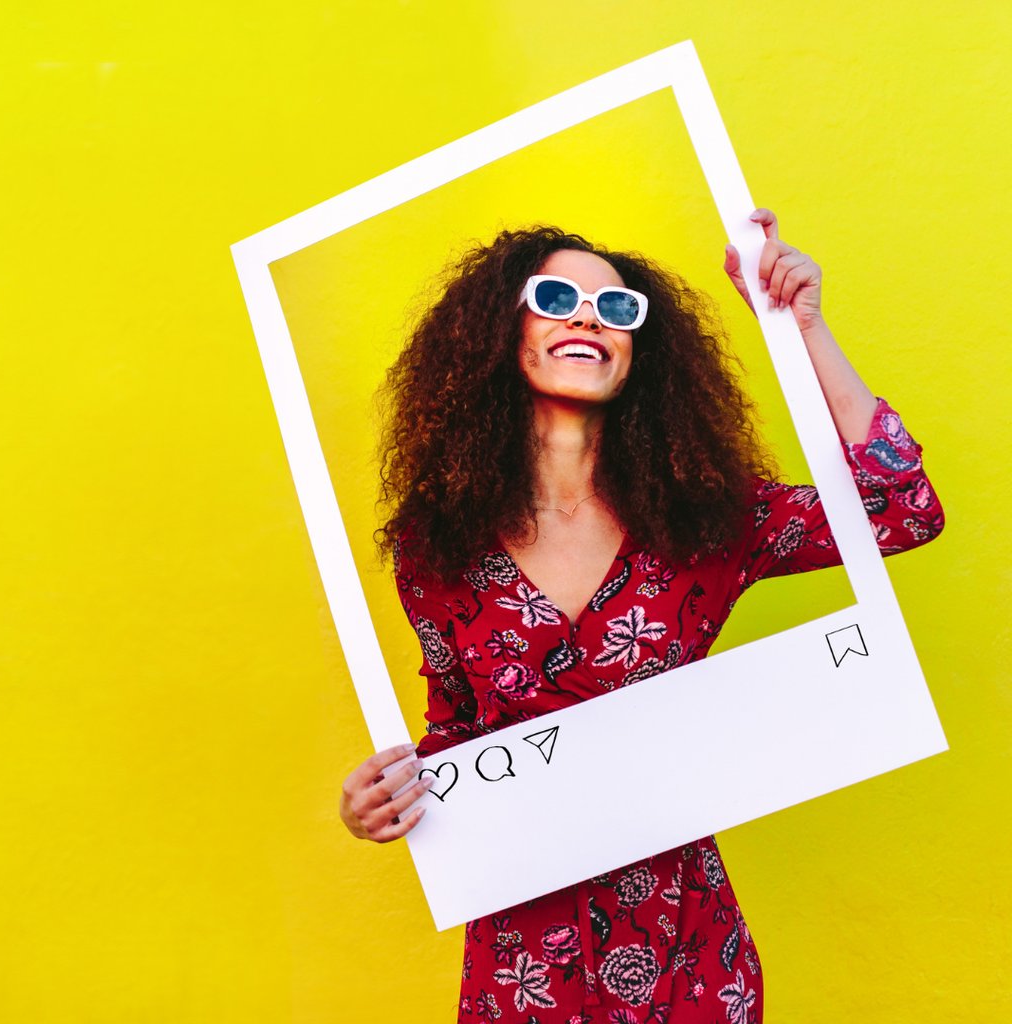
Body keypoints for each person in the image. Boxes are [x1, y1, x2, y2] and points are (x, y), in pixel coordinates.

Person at [339, 210, 943, 1022]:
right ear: (500, 329)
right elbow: (457, 733)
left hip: (686, 944)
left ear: (640, 357)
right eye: (557, 297)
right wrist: (386, 799)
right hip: (525, 957)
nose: (589, 316)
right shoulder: (434, 545)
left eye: (619, 310)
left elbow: (900, 508)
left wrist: (805, 332)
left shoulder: (701, 522)